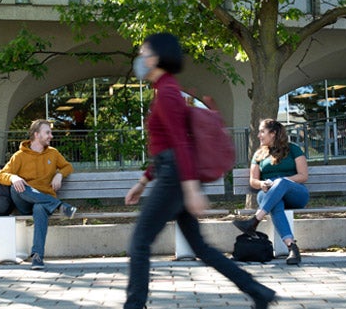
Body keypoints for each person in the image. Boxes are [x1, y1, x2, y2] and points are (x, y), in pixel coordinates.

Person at [124, 32, 276, 309]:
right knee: (200, 248)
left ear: (157, 57)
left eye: (144, 52)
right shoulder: (166, 89)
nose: (140, 58)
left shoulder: (168, 92)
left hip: (176, 178)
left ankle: (133, 305)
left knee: (139, 243)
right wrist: (143, 182)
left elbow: (180, 144)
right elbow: (167, 146)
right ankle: (258, 292)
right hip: (175, 174)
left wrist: (191, 188)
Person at [0, 119, 77, 270]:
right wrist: (13, 177)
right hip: (25, 202)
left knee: (40, 208)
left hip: (43, 202)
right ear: (36, 135)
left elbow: (68, 167)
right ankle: (59, 206)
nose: (51, 136)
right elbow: (1, 175)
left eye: (50, 133)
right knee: (16, 187)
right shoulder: (20, 156)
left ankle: (37, 256)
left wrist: (59, 174)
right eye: (47, 133)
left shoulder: (53, 153)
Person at [233, 118, 309, 265]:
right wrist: (262, 184)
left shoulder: (293, 149)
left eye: (262, 131)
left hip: (294, 193)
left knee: (280, 182)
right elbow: (253, 181)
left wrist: (280, 182)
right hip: (268, 194)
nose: (258, 135)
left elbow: (303, 176)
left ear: (273, 133)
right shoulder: (259, 154)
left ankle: (254, 221)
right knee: (276, 203)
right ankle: (292, 247)